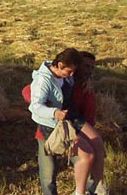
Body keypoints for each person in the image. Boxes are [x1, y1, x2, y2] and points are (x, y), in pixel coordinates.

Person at [29, 48, 106, 195]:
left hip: (70, 117)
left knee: (97, 143)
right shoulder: (43, 80)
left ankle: (99, 187)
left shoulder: (78, 82)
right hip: (53, 125)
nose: (71, 75)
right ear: (60, 65)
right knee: (50, 172)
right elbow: (34, 104)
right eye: (69, 71)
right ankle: (79, 192)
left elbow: (87, 112)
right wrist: (54, 112)